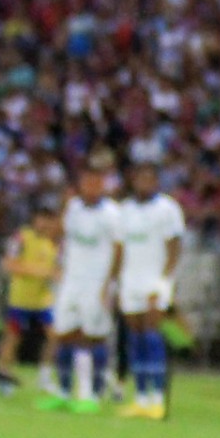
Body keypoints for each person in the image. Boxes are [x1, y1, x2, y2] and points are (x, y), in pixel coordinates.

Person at [40, 160, 124, 414]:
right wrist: (64, 208)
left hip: (96, 282)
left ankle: (89, 393)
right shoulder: (73, 208)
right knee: (64, 333)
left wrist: (110, 283)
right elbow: (55, 235)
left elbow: (119, 250)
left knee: (89, 337)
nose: (91, 186)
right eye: (87, 181)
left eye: (96, 182)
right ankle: (64, 391)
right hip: (71, 280)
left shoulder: (111, 213)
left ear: (103, 185)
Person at [113, 164, 185, 420]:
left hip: (154, 280)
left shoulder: (167, 209)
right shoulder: (125, 210)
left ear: (156, 181)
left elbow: (174, 248)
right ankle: (141, 397)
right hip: (130, 280)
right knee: (136, 338)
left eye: (149, 178)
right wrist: (115, 281)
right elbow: (120, 249)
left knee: (153, 335)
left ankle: (158, 398)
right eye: (140, 178)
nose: (144, 183)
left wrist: (164, 283)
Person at [0, 206, 60, 390]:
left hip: (43, 301)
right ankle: (4, 378)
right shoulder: (21, 237)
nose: (45, 223)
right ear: (35, 219)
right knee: (12, 339)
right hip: (20, 300)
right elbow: (9, 264)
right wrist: (40, 272)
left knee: (55, 335)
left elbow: (55, 272)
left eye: (49, 219)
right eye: (42, 218)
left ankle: (45, 375)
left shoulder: (52, 244)